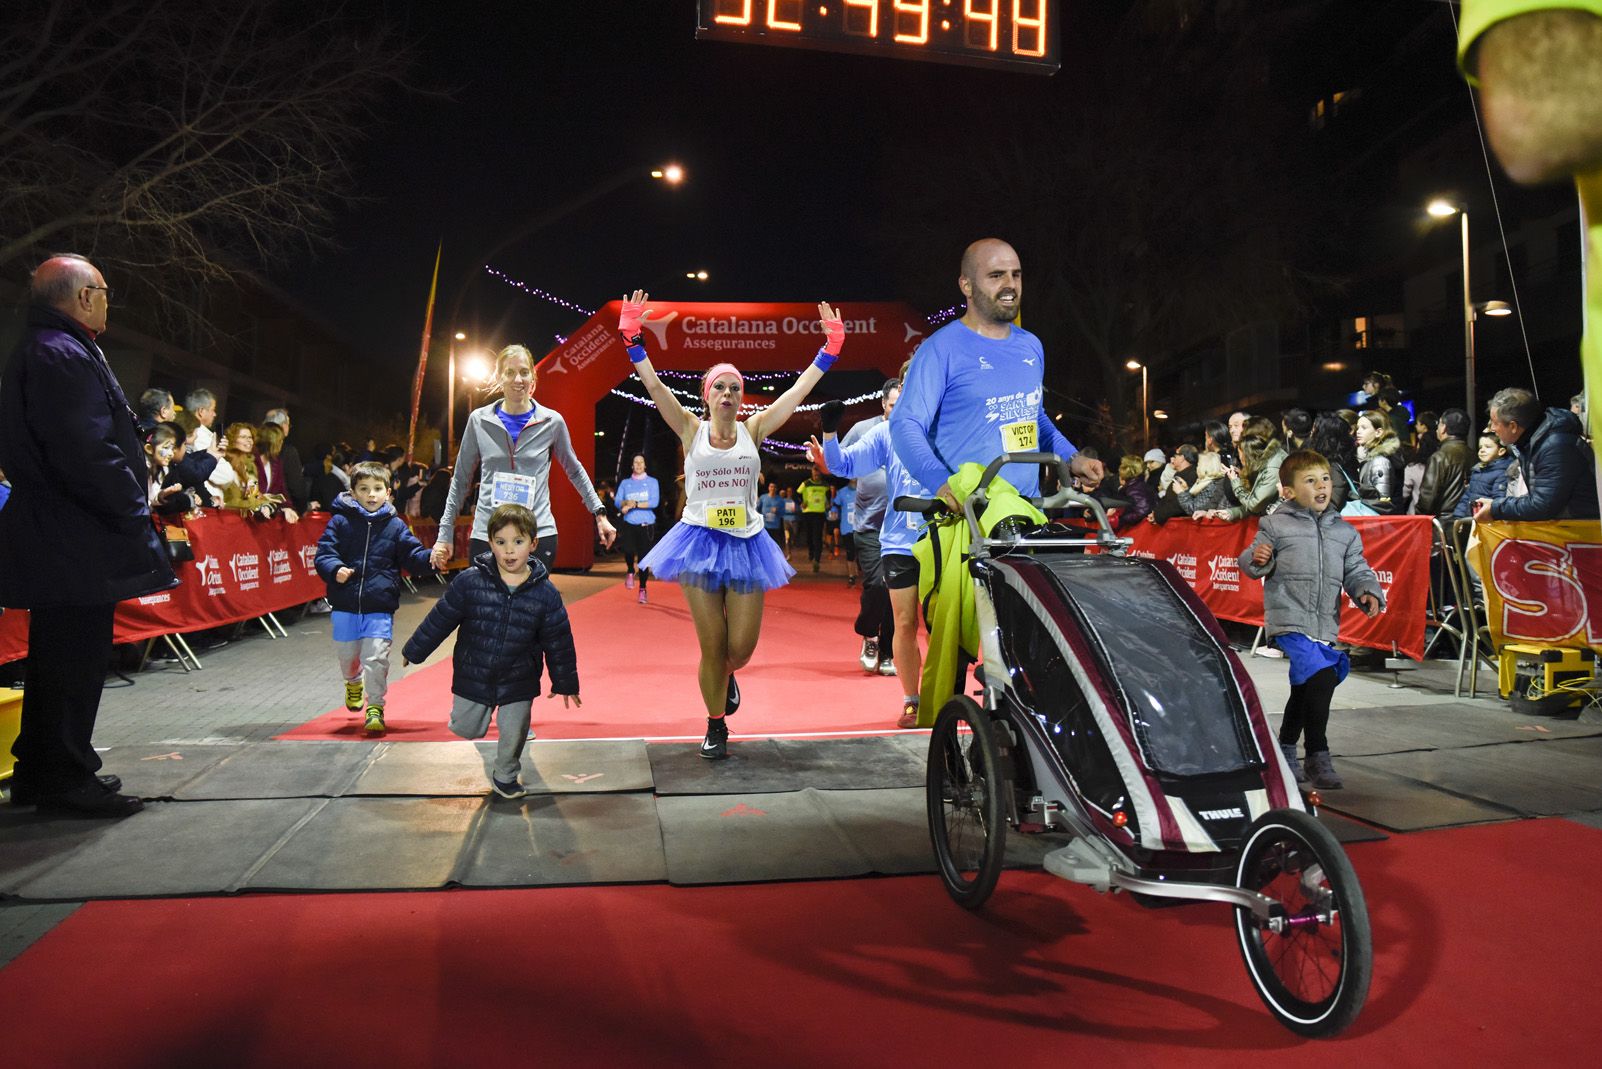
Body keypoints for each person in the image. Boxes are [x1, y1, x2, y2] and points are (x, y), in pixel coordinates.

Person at [624, 289, 838, 760]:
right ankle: (715, 724)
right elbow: (656, 388)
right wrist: (633, 341)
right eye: (719, 387)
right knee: (712, 645)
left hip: (746, 542)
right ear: (707, 395)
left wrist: (829, 352)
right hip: (698, 541)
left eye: (735, 388)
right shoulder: (688, 428)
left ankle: (730, 676)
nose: (728, 394)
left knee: (738, 649)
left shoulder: (755, 429)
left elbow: (796, 393)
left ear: (741, 398)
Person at [0, 254, 175, 816]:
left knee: (61, 656)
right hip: (74, 534)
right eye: (103, 291)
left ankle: (46, 770)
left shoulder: (56, 348)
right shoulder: (61, 353)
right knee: (73, 658)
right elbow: (86, 450)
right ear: (81, 297)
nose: (106, 302)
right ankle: (64, 777)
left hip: (64, 532)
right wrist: (132, 510)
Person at [890, 239, 1102, 513]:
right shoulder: (940, 349)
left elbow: (1033, 416)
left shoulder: (1031, 345)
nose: (1010, 284)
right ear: (966, 285)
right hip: (966, 517)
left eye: (1016, 274)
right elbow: (904, 424)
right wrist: (941, 484)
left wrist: (1072, 458)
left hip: (1025, 512)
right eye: (996, 275)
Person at [402, 503, 579, 798]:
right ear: (490, 544)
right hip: (476, 671)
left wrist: (565, 682)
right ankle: (469, 718)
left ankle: (505, 776)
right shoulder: (470, 581)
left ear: (533, 544)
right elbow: (441, 617)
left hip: (519, 678)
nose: (509, 551)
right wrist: (415, 649)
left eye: (518, 542)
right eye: (501, 542)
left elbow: (559, 640)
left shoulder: (545, 593)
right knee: (467, 728)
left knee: (514, 732)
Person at [1239, 450, 1385, 791]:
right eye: (1310, 480)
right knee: (1320, 677)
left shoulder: (1345, 532)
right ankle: (1318, 754)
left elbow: (1356, 569)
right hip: (1288, 619)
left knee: (1306, 689)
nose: (1321, 486)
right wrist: (1258, 559)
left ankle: (1286, 748)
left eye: (1325, 479)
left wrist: (1367, 590)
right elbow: (1249, 560)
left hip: (1323, 624)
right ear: (1288, 491)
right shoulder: (1274, 524)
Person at [812, 363, 933, 728]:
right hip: (898, 539)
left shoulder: (948, 427)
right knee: (905, 621)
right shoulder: (885, 433)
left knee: (944, 623)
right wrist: (830, 433)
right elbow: (843, 464)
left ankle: (945, 692)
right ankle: (912, 700)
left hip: (942, 536)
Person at [431, 344, 617, 573]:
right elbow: (460, 480)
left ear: (533, 377)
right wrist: (444, 534)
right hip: (487, 533)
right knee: (485, 608)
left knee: (529, 609)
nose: (517, 379)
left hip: (537, 534)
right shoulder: (479, 420)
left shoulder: (552, 422)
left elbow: (575, 470)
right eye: (509, 372)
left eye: (523, 372)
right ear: (499, 378)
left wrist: (599, 514)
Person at [314, 461, 436, 733]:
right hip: (345, 603)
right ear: (353, 492)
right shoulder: (340, 522)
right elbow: (324, 553)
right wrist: (335, 569)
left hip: (380, 605)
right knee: (348, 655)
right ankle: (352, 681)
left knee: (376, 658)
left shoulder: (395, 526)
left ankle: (375, 707)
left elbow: (412, 556)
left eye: (377, 489)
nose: (371, 495)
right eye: (364, 489)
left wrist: (432, 559)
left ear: (388, 493)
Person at [1472, 387, 1600, 520]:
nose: (1492, 428)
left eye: (1495, 423)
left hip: (1582, 532)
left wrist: (1496, 508)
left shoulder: (1556, 446)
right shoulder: (1532, 441)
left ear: (1513, 426)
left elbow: (1543, 506)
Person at [842, 378, 899, 674]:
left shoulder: (913, 430)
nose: (898, 410)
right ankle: (869, 633)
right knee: (878, 584)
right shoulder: (864, 429)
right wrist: (823, 455)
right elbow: (838, 459)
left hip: (903, 528)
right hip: (868, 527)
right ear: (882, 404)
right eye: (892, 405)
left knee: (896, 591)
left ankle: (888, 651)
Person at [1216, 416, 1286, 521]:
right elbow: (1259, 503)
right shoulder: (1266, 460)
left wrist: (1235, 481)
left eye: (1244, 432)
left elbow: (1255, 505)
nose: (1239, 434)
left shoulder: (1272, 466)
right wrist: (1233, 512)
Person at [616, 453, 660, 604]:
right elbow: (617, 501)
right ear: (632, 466)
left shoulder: (653, 482)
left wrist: (634, 504)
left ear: (645, 465)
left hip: (646, 525)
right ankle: (629, 570)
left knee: (643, 559)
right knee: (628, 550)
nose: (639, 465)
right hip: (629, 523)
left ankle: (642, 588)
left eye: (641, 462)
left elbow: (654, 502)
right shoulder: (625, 483)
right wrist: (624, 503)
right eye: (636, 462)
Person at [1416, 409, 1473, 519]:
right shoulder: (1474, 455)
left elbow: (1427, 498)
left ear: (1443, 428)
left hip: (1443, 523)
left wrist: (1419, 517)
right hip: (1468, 520)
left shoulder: (1439, 457)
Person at [1305, 412, 1361, 510]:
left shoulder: (1333, 467)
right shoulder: (1340, 462)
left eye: (1315, 428)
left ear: (1323, 436)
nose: (1311, 432)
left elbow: (1332, 503)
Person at [1354, 409, 1406, 514]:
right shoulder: (1374, 458)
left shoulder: (1380, 461)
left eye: (1364, 428)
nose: (1358, 431)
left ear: (1378, 432)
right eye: (1358, 427)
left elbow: (1382, 503)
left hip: (1382, 523)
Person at [1454, 431, 1515, 520]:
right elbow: (1467, 496)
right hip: (1472, 519)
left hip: (1488, 521)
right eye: (1480, 447)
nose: (1482, 450)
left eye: (1488, 447)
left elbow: (1498, 499)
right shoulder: (1477, 470)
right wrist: (1459, 516)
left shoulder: (1502, 472)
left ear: (1501, 451)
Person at [262, 408, 308, 512]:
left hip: (262, 508)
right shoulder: (288, 452)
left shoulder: (255, 447)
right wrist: (302, 509)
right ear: (284, 426)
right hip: (282, 512)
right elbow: (296, 487)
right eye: (288, 425)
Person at [1174, 451, 1231, 517]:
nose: (1196, 468)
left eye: (1198, 464)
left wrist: (1181, 493)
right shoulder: (1205, 482)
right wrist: (1186, 489)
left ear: (1205, 467)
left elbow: (1194, 509)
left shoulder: (1214, 485)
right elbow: (1198, 501)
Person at [797, 467, 831, 572]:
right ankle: (811, 554)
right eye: (814, 472)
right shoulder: (806, 483)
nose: (816, 474)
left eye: (818, 472)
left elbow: (828, 496)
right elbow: (797, 493)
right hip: (808, 512)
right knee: (809, 537)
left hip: (819, 513)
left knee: (817, 537)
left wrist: (827, 503)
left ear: (820, 473)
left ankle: (817, 560)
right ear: (812, 473)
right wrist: (802, 502)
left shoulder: (825, 485)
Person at [1114, 454, 1155, 530]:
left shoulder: (1135, 488)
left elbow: (1142, 511)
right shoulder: (1135, 485)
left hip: (1139, 530)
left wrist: (1122, 518)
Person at [833, 481, 858, 584]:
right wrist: (834, 512)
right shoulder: (842, 492)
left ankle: (858, 571)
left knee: (862, 552)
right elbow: (835, 505)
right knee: (850, 552)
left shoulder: (865, 490)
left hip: (862, 528)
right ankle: (851, 575)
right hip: (847, 528)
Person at [758, 481, 785, 549]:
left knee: (774, 545)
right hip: (764, 526)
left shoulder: (780, 500)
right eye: (771, 487)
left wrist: (777, 511)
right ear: (768, 488)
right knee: (764, 545)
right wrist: (760, 517)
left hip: (775, 526)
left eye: (774, 487)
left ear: (776, 489)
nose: (772, 488)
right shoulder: (763, 497)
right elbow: (757, 509)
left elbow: (783, 513)